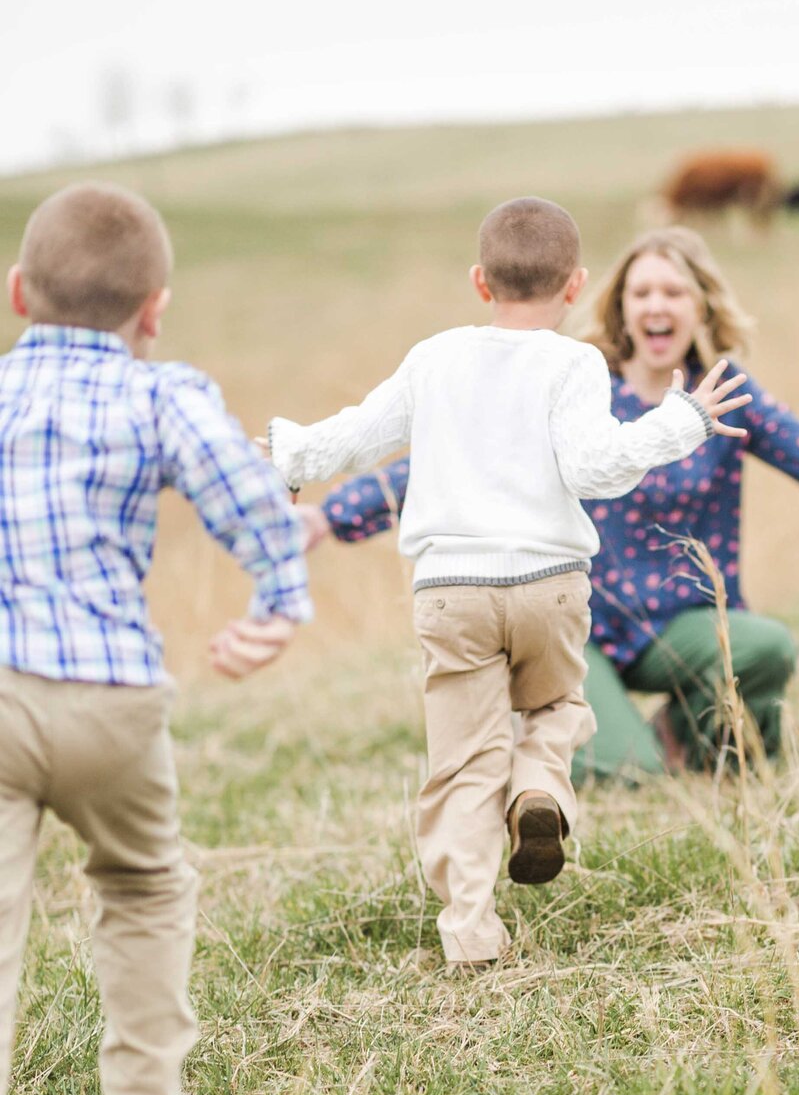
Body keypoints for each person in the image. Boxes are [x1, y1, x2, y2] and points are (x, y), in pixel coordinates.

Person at [301, 227, 799, 777]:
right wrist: (329, 517)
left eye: (673, 291)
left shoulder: (728, 397)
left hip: (685, 625)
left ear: (700, 304)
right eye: (641, 293)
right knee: (626, 774)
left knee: (767, 648)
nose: (656, 305)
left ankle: (698, 734)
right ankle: (598, 742)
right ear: (620, 307)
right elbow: (452, 461)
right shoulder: (579, 389)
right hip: (577, 626)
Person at [265, 199, 750, 967]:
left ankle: (471, 931)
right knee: (558, 704)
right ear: (577, 286)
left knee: (463, 761)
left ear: (479, 282)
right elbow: (597, 468)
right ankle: (541, 792)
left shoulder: (434, 358)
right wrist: (681, 421)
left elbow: (360, 435)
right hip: (551, 585)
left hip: (451, 592)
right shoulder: (576, 364)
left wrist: (290, 457)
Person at [0, 183, 310, 1095]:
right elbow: (245, 490)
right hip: (113, 697)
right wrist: (279, 595)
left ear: (17, 295)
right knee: (140, 885)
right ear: (154, 308)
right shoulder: (159, 392)